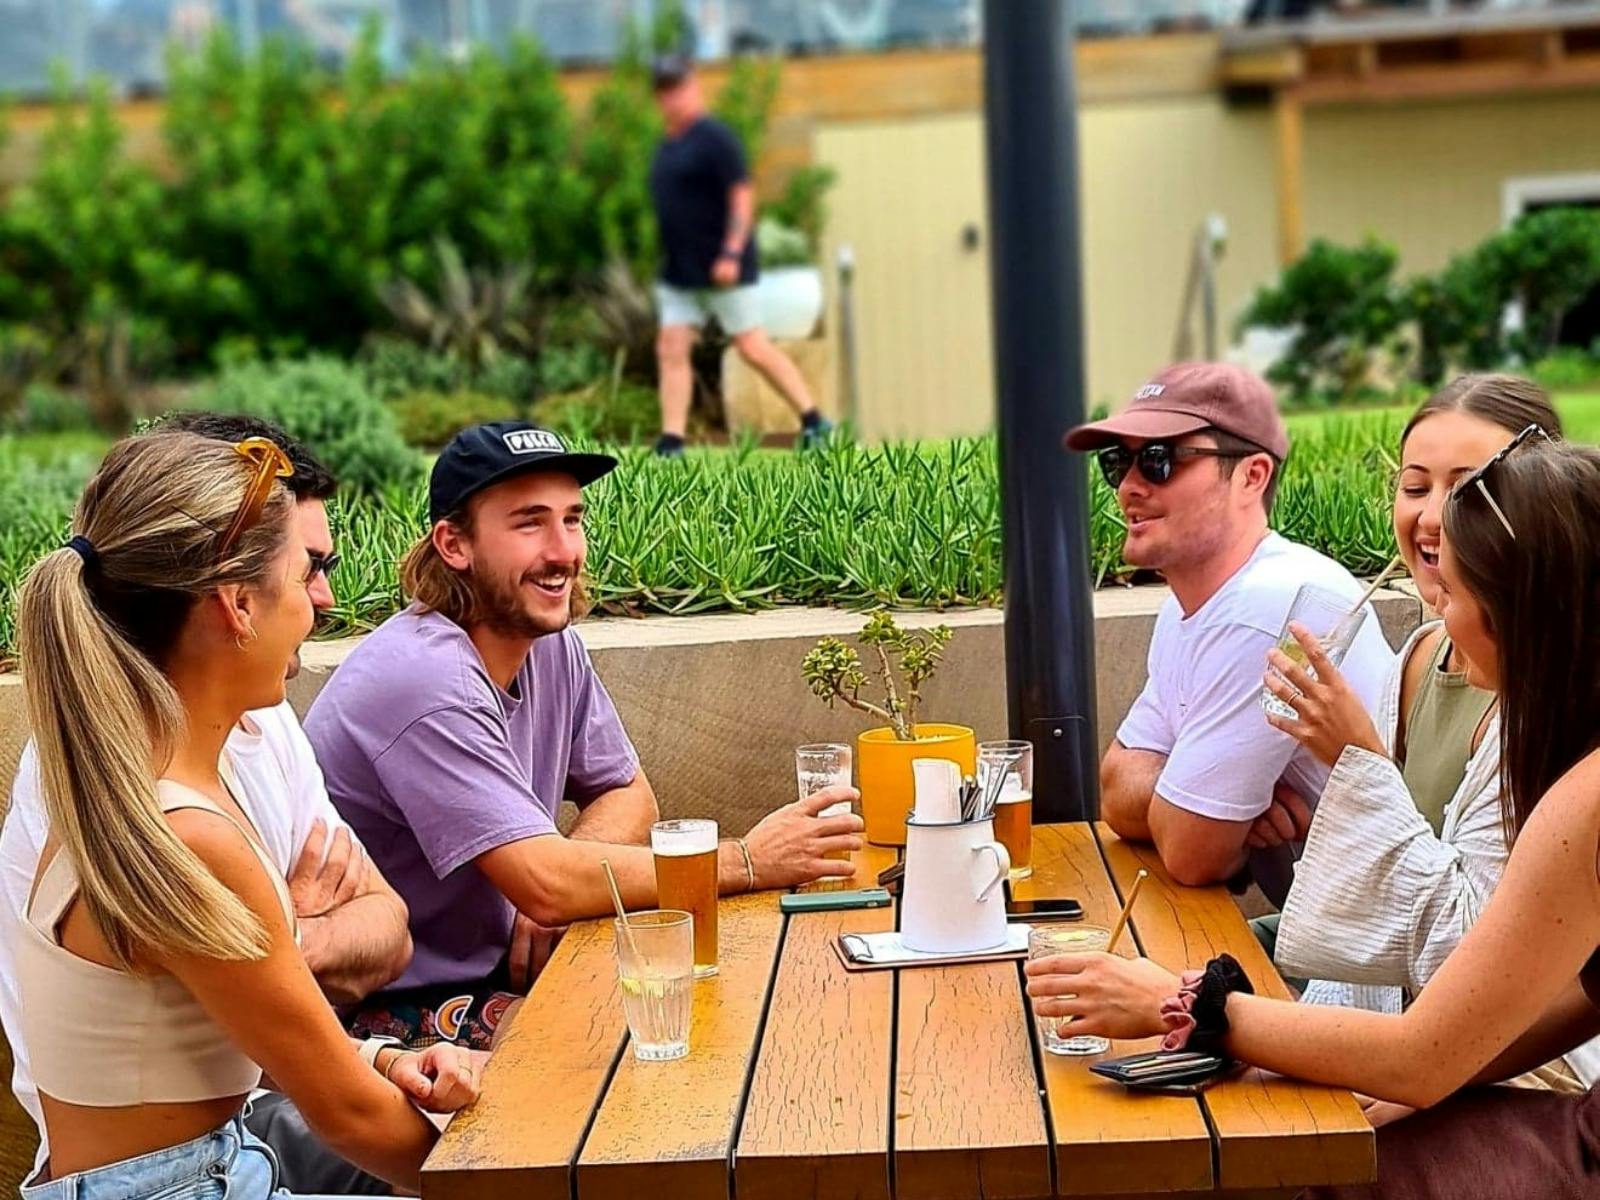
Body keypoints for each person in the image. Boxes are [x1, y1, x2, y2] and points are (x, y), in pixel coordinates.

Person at [1026, 440, 1600, 1198]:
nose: (1437, 611)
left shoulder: (1584, 799)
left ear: (1522, 611)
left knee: (1301, 1168)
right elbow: (1572, 1001)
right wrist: (1424, 1080)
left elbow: (1423, 1050)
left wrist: (1190, 1007)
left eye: (1452, 592)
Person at [12, 430, 480, 1199]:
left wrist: (386, 1058)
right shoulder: (188, 835)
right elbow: (349, 1117)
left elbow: (261, 1042)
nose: (318, 604)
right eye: (305, 575)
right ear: (236, 605)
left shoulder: (131, 793)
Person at [305, 421, 863, 1047]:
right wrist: (748, 861)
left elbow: (626, 794)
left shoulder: (548, 642)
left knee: (746, 1009)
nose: (563, 550)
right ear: (454, 544)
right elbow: (548, 883)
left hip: (495, 974)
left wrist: (561, 884)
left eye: (573, 519)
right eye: (529, 522)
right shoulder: (424, 679)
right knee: (656, 1041)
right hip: (390, 1015)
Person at [1247, 375, 1597, 1092]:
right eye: (1416, 485)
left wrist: (1358, 765)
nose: (1435, 518)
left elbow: (1468, 978)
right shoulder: (1418, 659)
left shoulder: (1575, 772)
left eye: (1469, 488)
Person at [1062, 361, 1393, 907]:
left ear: (1252, 476)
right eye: (1117, 462)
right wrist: (1199, 798)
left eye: (1159, 460)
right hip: (1333, 934)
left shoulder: (1267, 608)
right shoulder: (1192, 607)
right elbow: (1116, 789)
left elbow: (1192, 854)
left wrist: (1208, 820)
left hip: (1390, 965)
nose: (1129, 486)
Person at [647, 52, 832, 457]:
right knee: (671, 346)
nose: (671, 97)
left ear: (693, 86)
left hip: (722, 268)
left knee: (752, 346)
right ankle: (672, 441)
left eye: (677, 87)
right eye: (663, 90)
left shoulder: (715, 138)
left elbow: (741, 198)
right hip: (680, 272)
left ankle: (814, 419)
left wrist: (731, 252)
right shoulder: (666, 145)